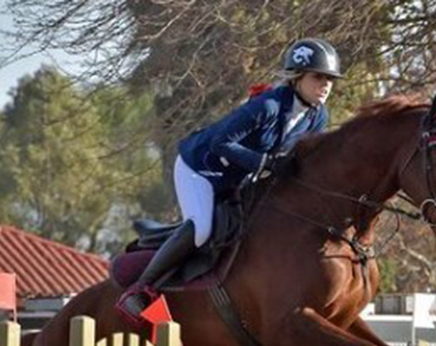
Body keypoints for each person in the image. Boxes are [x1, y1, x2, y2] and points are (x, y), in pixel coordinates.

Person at [117, 38, 343, 323]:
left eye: (330, 79)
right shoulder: (268, 106)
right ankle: (140, 290)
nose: (325, 85)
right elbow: (220, 143)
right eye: (318, 77)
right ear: (297, 77)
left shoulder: (318, 116)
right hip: (199, 167)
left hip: (237, 175)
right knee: (202, 229)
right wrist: (263, 163)